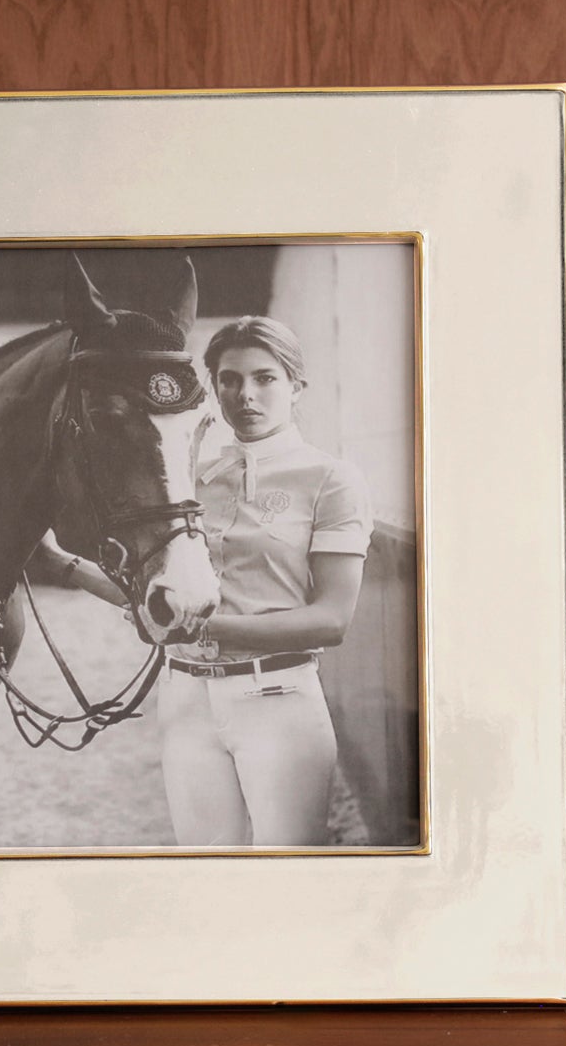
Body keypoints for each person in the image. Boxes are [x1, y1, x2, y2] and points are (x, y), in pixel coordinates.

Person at [31, 314, 372, 846]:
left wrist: (201, 629)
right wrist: (61, 564)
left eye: (265, 378)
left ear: (296, 387)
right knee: (205, 869)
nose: (245, 395)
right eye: (229, 380)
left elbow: (332, 620)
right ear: (213, 388)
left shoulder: (331, 480)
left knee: (289, 872)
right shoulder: (191, 482)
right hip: (185, 700)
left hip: (278, 699)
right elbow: (157, 597)